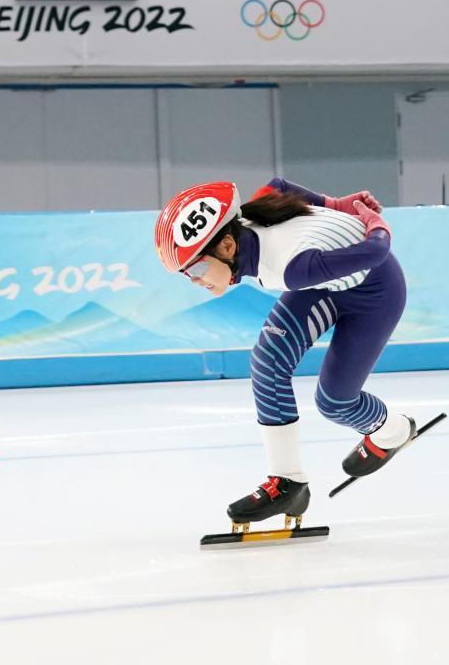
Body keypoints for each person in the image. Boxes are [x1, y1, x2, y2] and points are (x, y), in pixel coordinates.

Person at [154, 178, 413, 530]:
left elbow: (375, 251)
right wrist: (337, 202)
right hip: (323, 279)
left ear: (228, 245)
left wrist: (371, 219)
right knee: (267, 362)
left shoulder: (291, 266)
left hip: (375, 293)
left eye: (195, 269)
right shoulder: (253, 219)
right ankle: (287, 483)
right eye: (185, 274)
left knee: (335, 403)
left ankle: (393, 431)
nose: (193, 280)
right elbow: (279, 186)